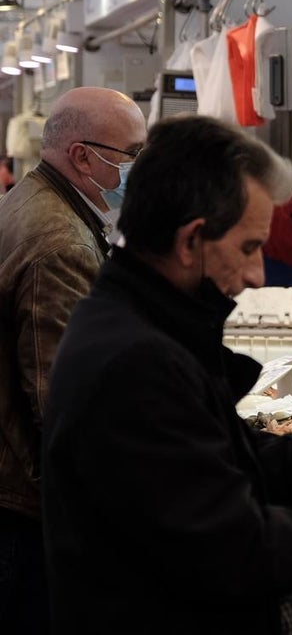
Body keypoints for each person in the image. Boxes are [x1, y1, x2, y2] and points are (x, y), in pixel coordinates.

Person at [41, 116, 292, 634]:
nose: (259, 274)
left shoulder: (147, 323)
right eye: (248, 247)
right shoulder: (135, 359)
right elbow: (227, 550)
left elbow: (234, 459)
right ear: (192, 240)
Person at [0, 87, 147, 633]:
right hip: (25, 512)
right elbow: (62, 402)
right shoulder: (61, 242)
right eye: (130, 154)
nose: (137, 168)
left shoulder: (28, 201)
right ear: (83, 155)